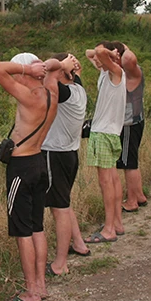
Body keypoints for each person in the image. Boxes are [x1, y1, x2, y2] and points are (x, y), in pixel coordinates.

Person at [0, 53, 61, 301]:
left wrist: (27, 69)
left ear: (24, 72)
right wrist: (44, 67)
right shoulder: (52, 91)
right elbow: (59, 64)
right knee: (37, 227)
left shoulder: (27, 95)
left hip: (21, 167)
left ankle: (31, 290)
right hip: (40, 162)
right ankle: (41, 285)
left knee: (23, 232)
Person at [42, 53, 92, 276]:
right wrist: (70, 69)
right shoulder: (79, 89)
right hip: (70, 153)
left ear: (62, 73)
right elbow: (72, 75)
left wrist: (61, 65)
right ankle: (79, 242)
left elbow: (46, 75)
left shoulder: (64, 92)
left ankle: (60, 264)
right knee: (65, 202)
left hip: (56, 153)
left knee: (59, 208)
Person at [84, 42, 127, 244]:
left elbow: (99, 52)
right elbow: (89, 53)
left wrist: (110, 54)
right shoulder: (106, 71)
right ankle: (116, 223)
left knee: (106, 182)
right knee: (113, 179)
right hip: (109, 132)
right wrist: (106, 54)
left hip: (103, 133)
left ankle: (109, 229)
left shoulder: (116, 71)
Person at [117, 43, 150, 211]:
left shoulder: (132, 72)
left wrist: (125, 49)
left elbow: (129, 58)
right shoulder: (128, 72)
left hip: (129, 123)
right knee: (133, 162)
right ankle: (139, 196)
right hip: (136, 121)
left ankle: (131, 202)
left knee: (128, 164)